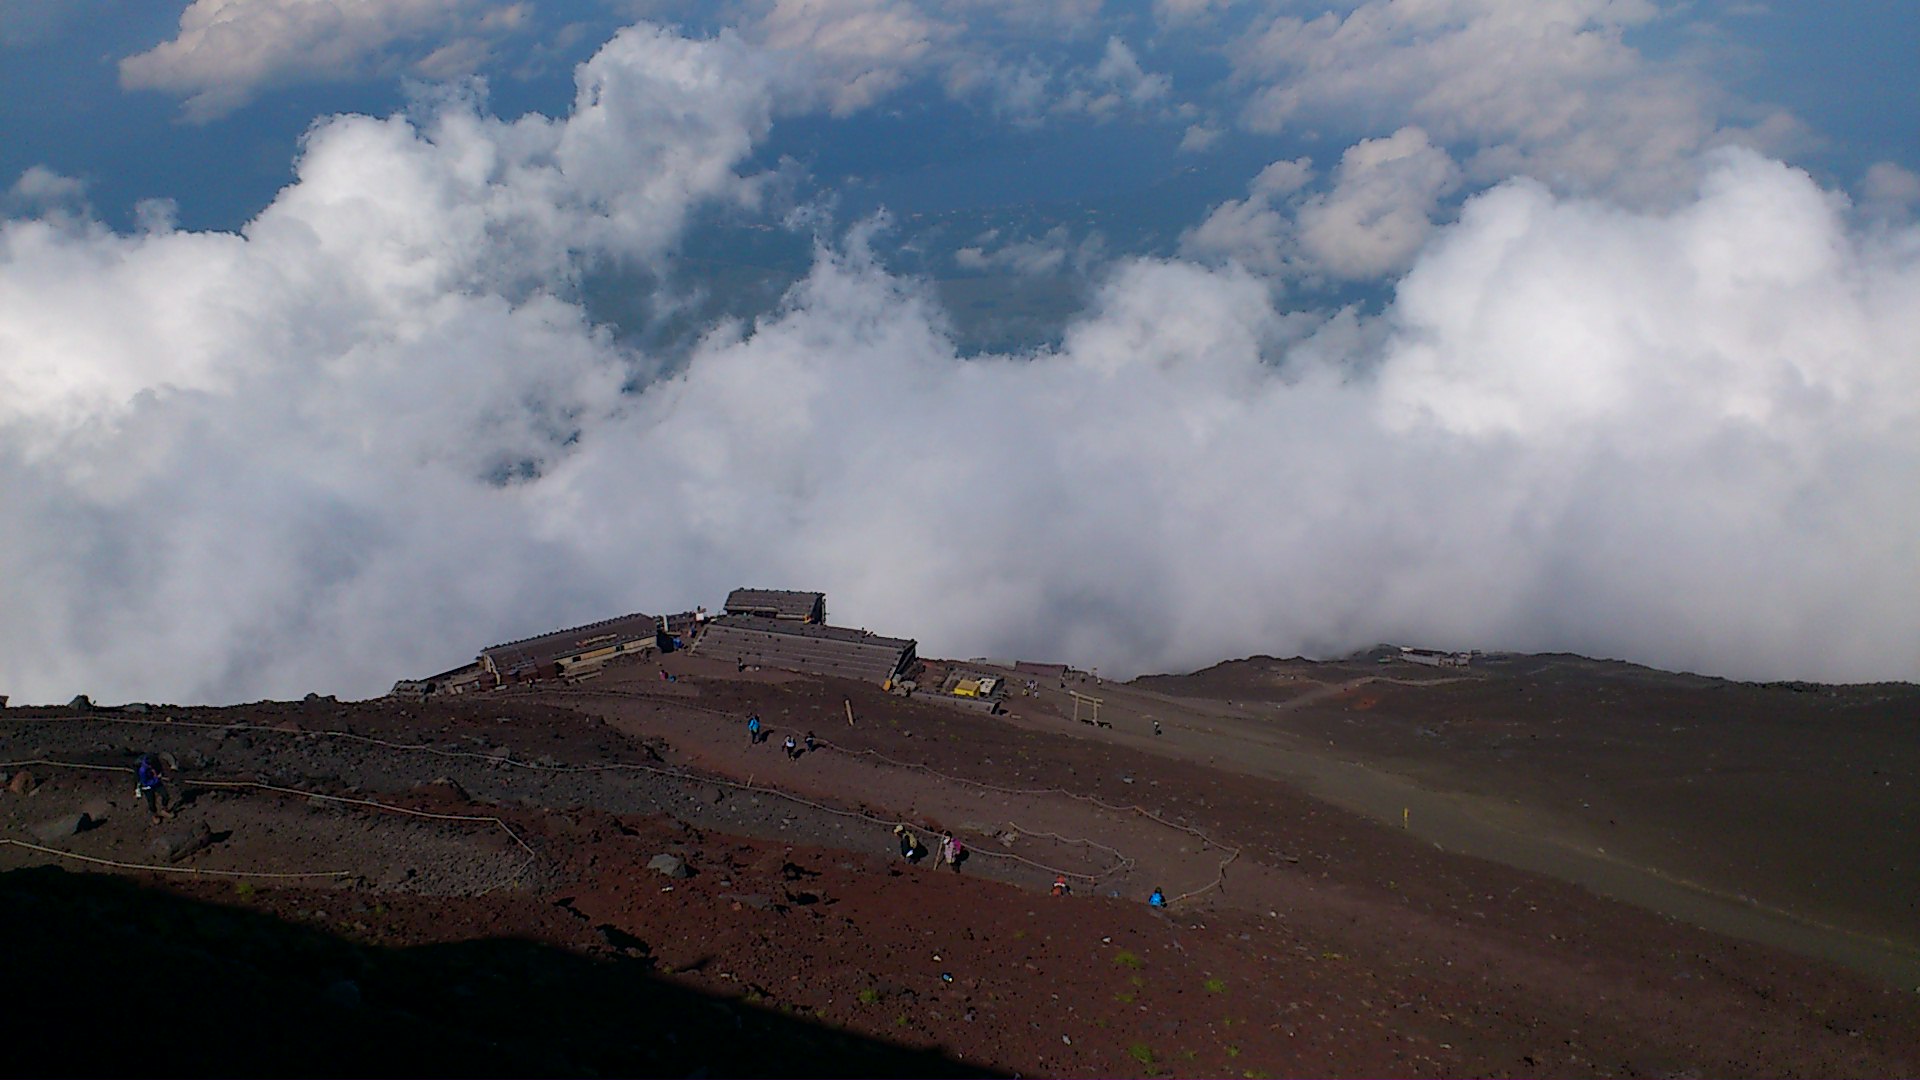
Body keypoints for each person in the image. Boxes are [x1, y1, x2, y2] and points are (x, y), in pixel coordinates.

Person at [134, 754, 173, 823]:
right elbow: (145, 782)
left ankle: (164, 809)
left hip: (156, 781)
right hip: (148, 786)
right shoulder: (142, 770)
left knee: (165, 795)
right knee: (151, 802)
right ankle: (155, 815)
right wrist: (156, 778)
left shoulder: (154, 761)